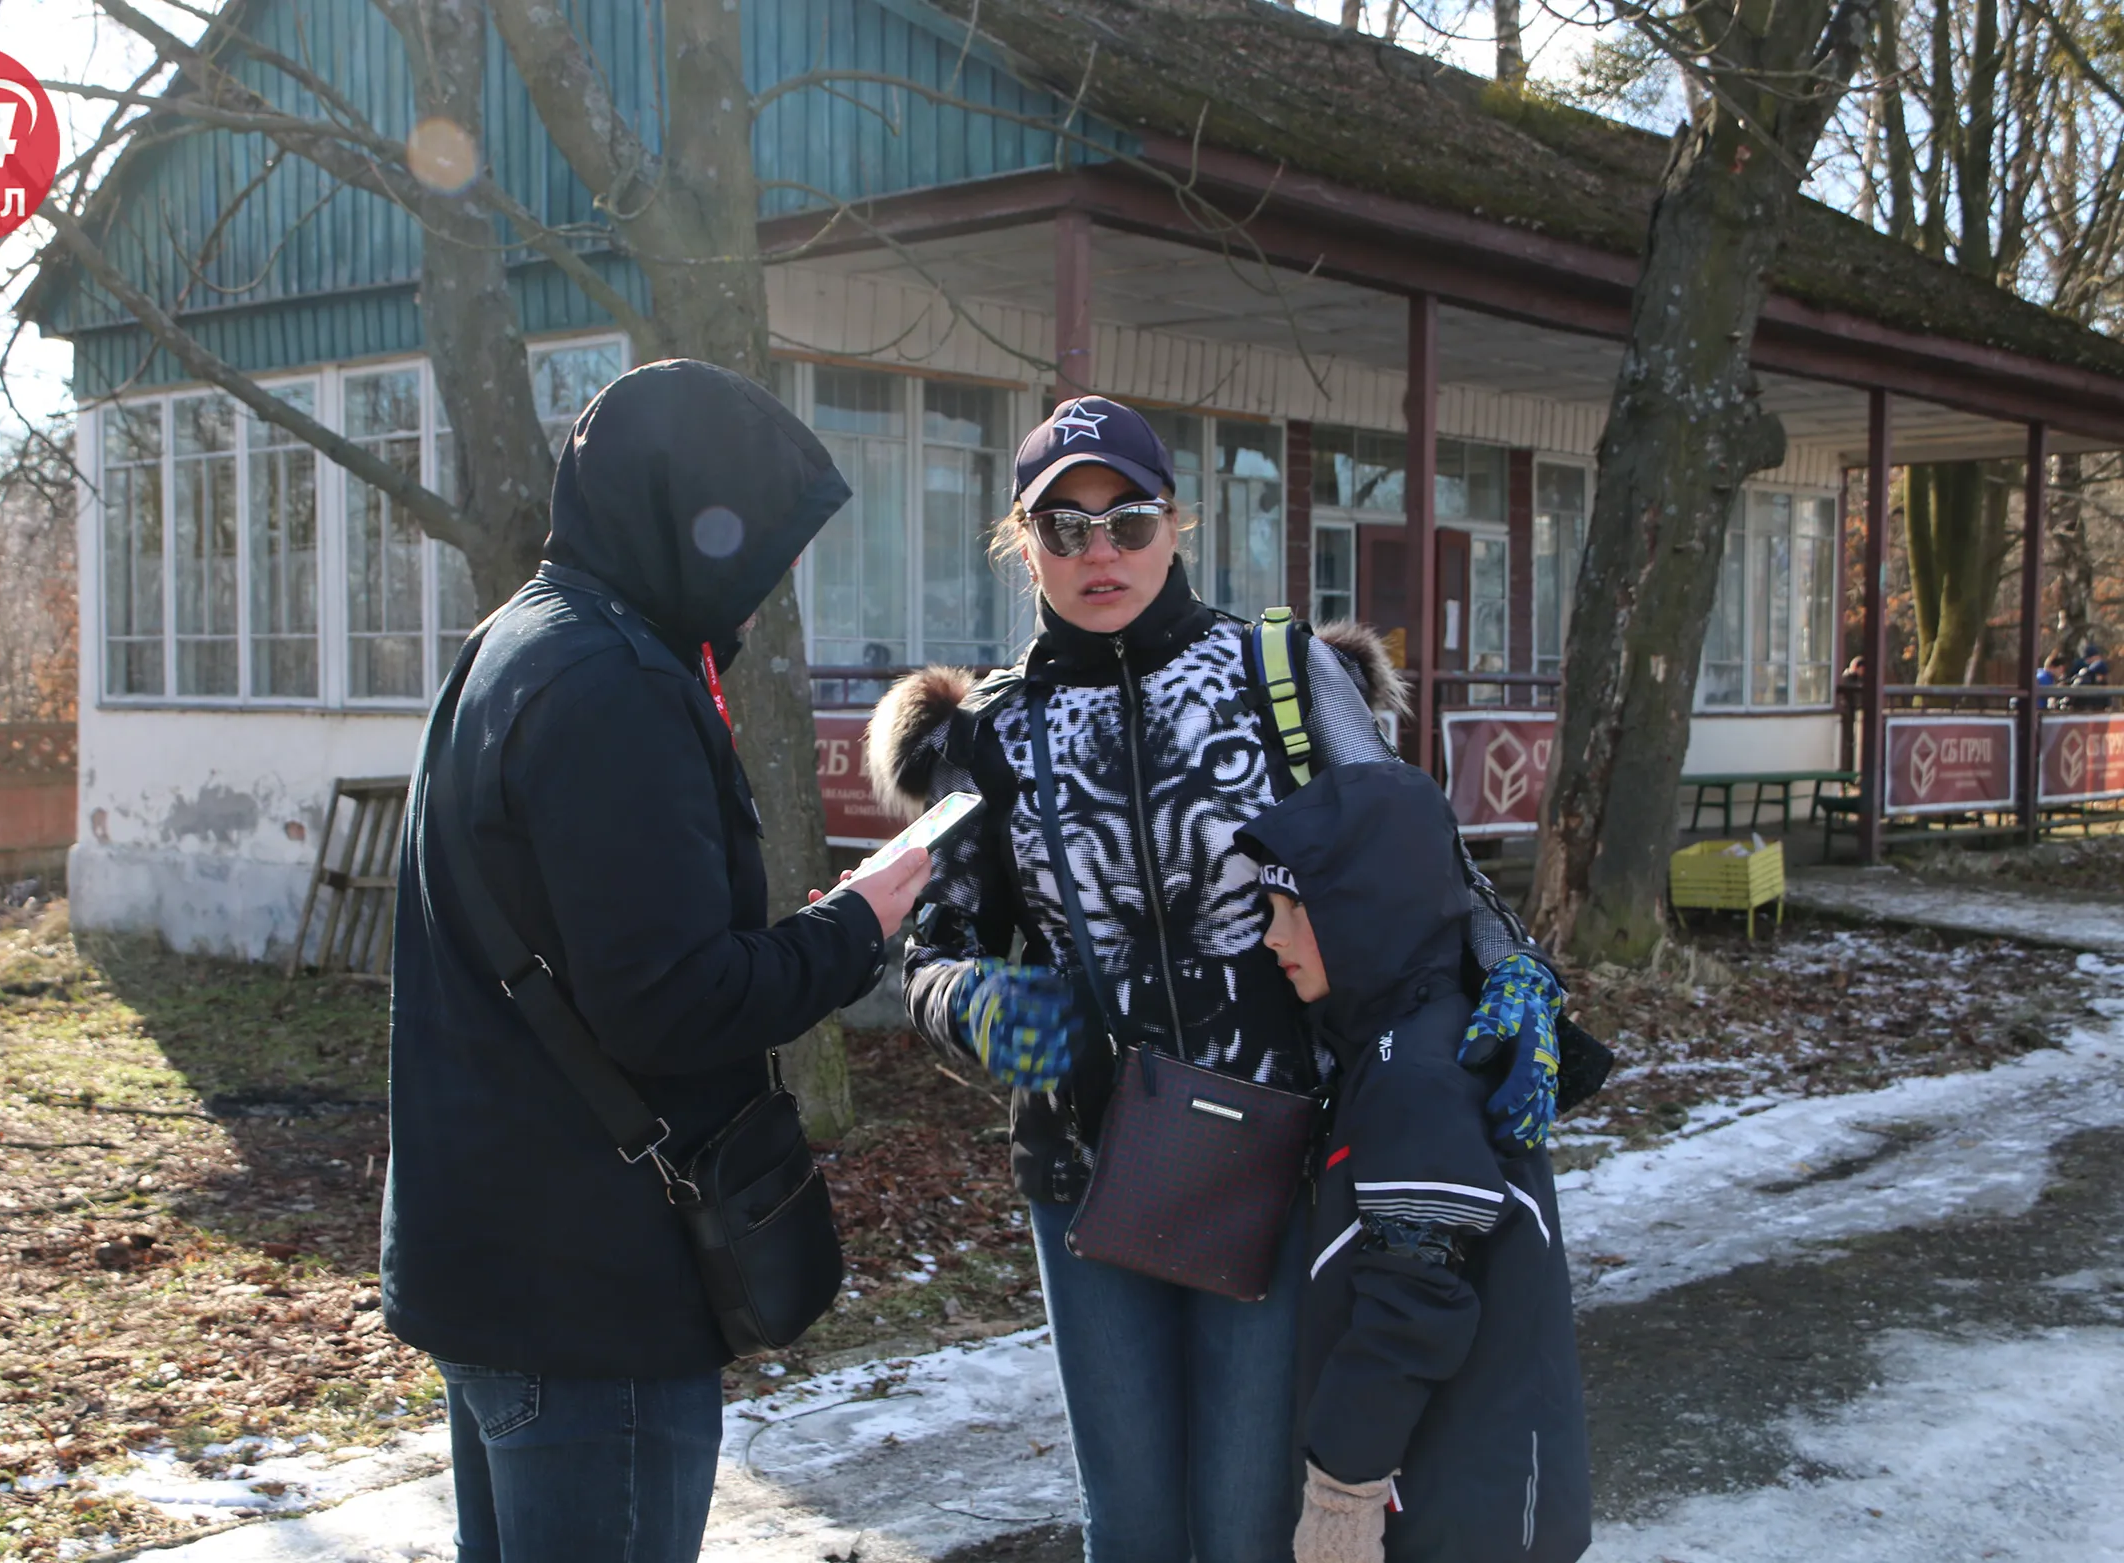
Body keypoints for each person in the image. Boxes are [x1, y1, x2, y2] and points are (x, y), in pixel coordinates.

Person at [869, 395, 1564, 1562]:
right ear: (1021, 539)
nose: (1100, 554)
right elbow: (929, 953)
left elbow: (1415, 867)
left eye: (1127, 521)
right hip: (1090, 1172)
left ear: (1175, 524)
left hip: (1282, 1161)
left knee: (1248, 1522)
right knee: (1134, 1529)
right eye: (1064, 526)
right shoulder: (989, 731)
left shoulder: (1278, 677)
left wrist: (1510, 970)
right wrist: (990, 1011)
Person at [382, 359, 931, 1563]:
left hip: (494, 1262)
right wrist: (857, 928)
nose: (769, 585)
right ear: (685, 521)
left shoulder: (514, 643)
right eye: (758, 549)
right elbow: (671, 1007)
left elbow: (587, 949)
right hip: (594, 1295)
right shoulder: (616, 687)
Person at [1239, 766, 1589, 1563]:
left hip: (1465, 1511)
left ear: (1370, 912)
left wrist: (1341, 1494)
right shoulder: (1391, 1040)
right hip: (1452, 1487)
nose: (1273, 935)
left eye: (1295, 909)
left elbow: (1414, 1309)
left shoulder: (1419, 1073)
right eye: (1269, 909)